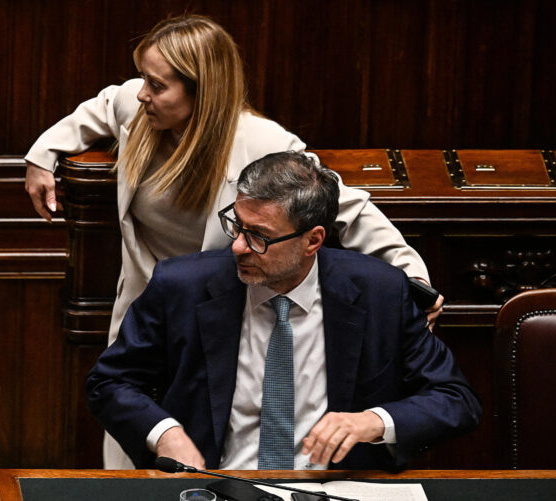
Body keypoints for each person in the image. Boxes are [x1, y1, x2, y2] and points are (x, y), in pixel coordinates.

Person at [24, 14, 443, 468]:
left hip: (218, 309)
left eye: (157, 85)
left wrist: (413, 279)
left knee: (214, 443)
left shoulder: (263, 141)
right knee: (136, 438)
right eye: (144, 78)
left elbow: (345, 207)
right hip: (150, 302)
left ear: (201, 91)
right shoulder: (138, 104)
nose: (142, 92)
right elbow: (103, 105)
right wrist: (43, 155)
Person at [85, 151, 481, 470]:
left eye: (259, 236)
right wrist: (165, 433)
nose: (238, 246)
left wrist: (372, 421)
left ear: (313, 241)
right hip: (216, 485)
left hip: (334, 490)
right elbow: (110, 382)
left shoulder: (380, 293)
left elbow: (455, 399)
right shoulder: (182, 287)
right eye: (237, 225)